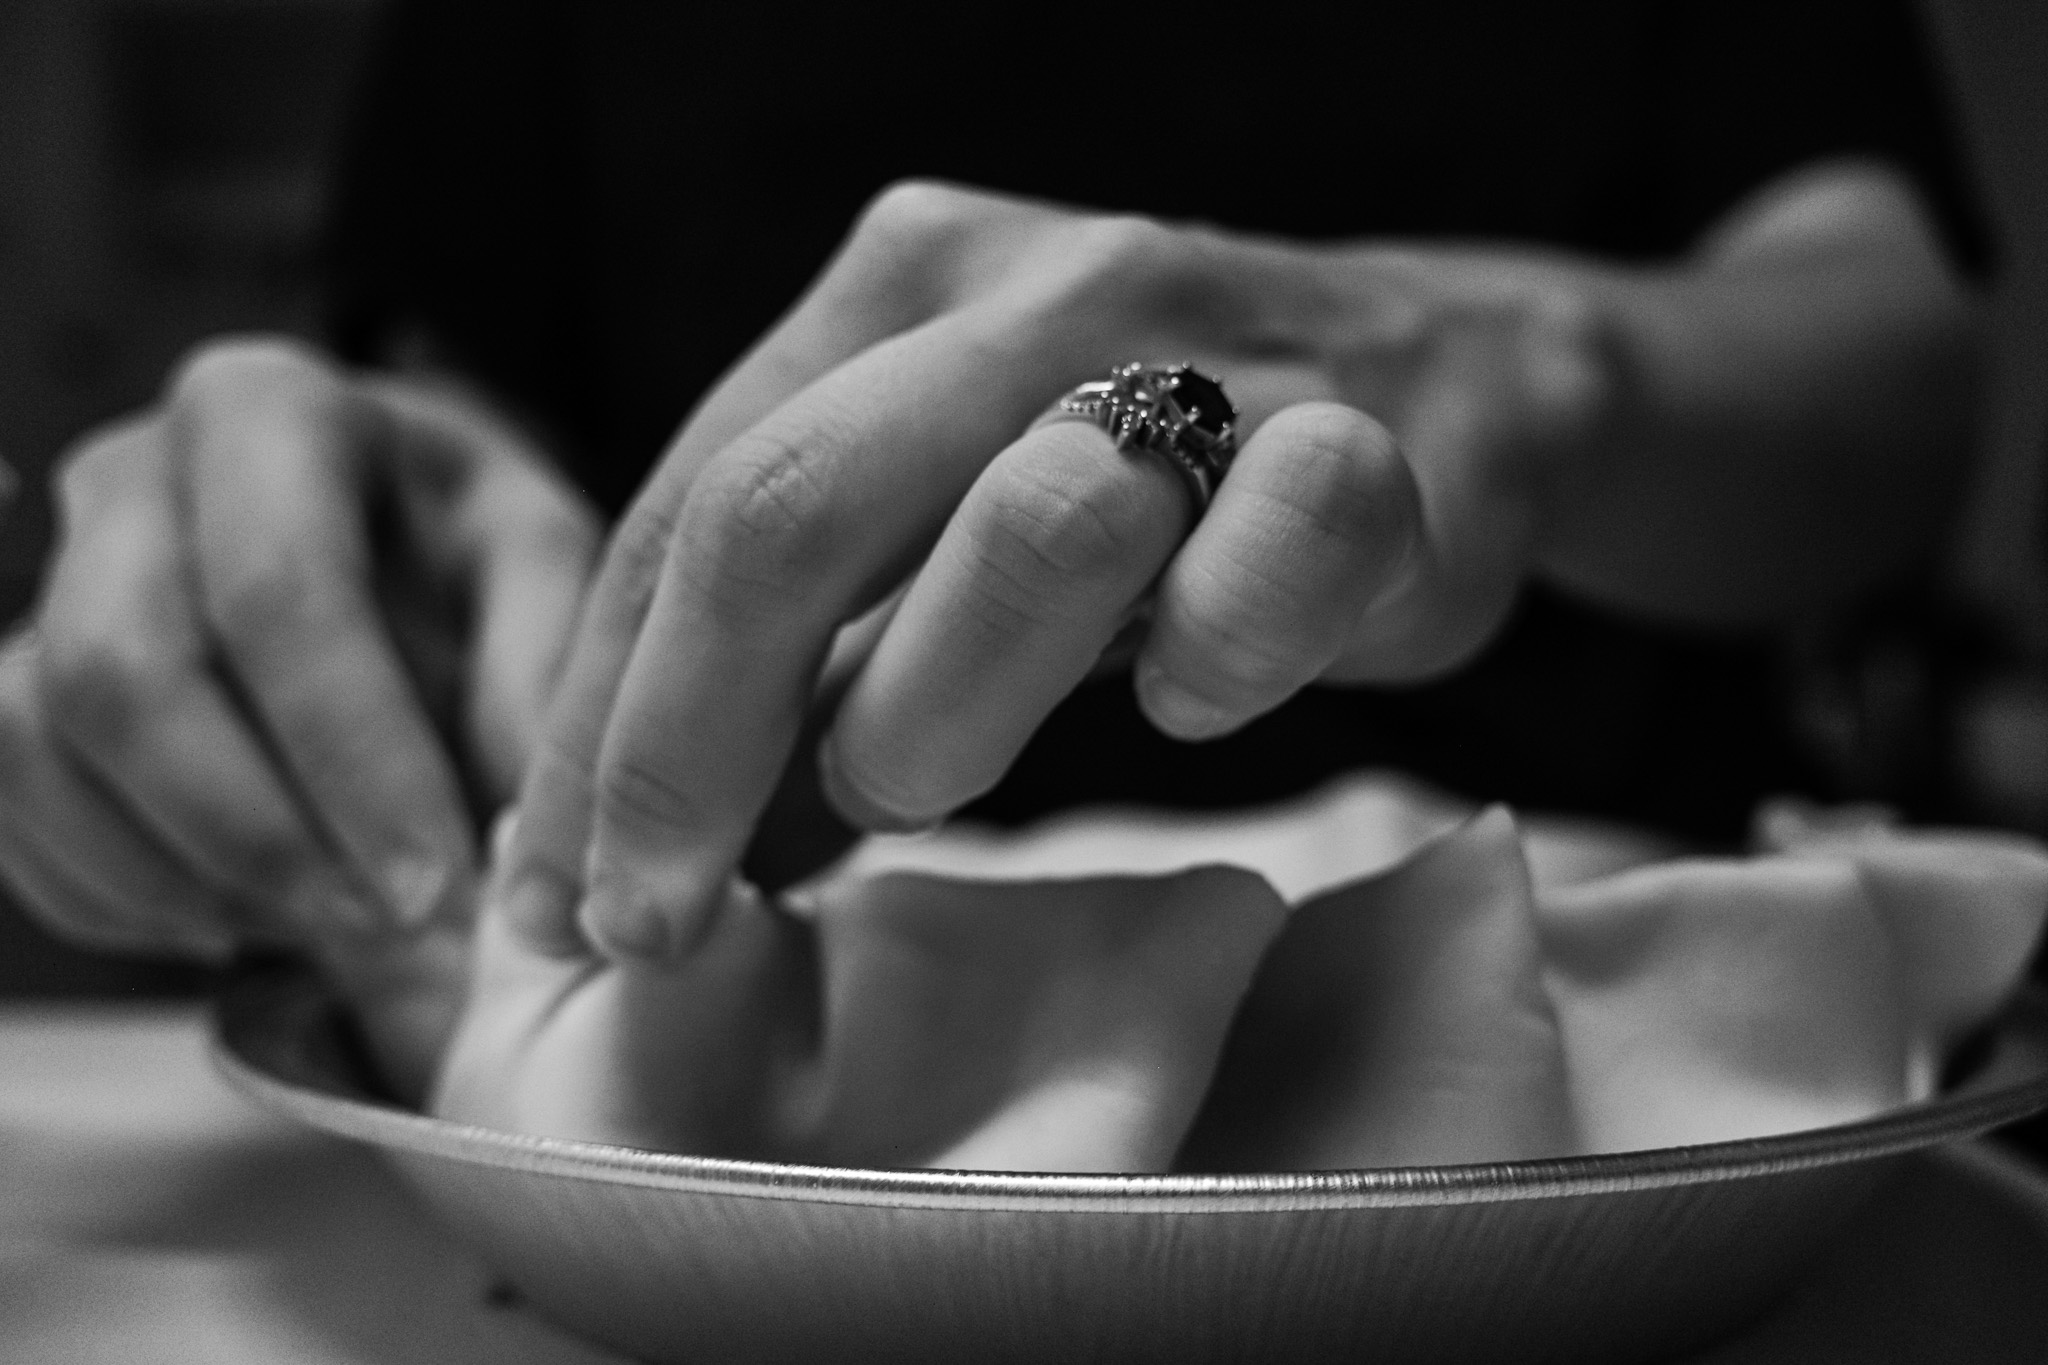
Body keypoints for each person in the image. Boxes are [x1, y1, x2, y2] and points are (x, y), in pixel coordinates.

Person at [0, 0, 1989, 1074]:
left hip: (1630, 1117)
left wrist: (1523, 371)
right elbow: (473, 413)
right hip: (705, 1043)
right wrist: (326, 567)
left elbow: (1904, 374)